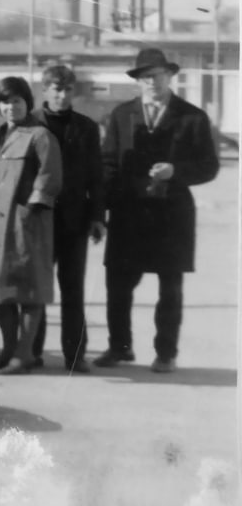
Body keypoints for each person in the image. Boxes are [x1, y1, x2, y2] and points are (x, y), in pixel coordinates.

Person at [95, 48, 219, 374]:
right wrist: (101, 210)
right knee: (117, 285)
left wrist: (175, 171)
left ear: (170, 76)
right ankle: (119, 347)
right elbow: (107, 164)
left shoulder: (193, 116)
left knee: (171, 289)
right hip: (128, 214)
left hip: (172, 216)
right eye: (145, 77)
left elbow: (209, 166)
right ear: (138, 81)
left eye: (158, 75)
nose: (152, 82)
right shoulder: (121, 115)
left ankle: (166, 353)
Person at [0, 76, 62, 375]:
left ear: (27, 102)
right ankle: (7, 351)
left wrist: (31, 211)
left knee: (29, 289)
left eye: (16, 100)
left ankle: (24, 354)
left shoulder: (39, 135)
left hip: (27, 223)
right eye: (4, 101)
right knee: (2, 289)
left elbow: (50, 176)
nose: (10, 106)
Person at [30, 64, 105, 373]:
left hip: (74, 221)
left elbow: (96, 176)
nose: (62, 95)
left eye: (67, 90)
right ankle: (31, 351)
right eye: (56, 89)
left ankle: (75, 354)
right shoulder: (30, 122)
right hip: (38, 220)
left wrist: (98, 216)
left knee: (72, 288)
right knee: (37, 288)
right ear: (45, 90)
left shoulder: (86, 127)